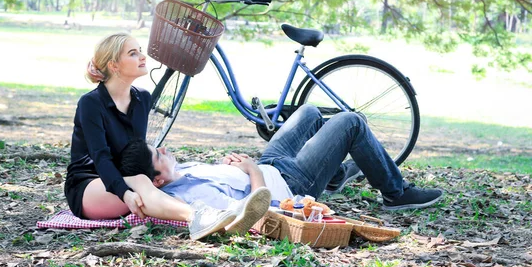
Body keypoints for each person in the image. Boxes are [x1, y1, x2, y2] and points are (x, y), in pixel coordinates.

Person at [63, 33, 270, 240]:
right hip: (89, 185)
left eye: (140, 51)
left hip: (128, 179)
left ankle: (230, 214)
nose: (143, 57)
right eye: (133, 53)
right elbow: (101, 158)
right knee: (143, 182)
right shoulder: (91, 103)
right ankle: (198, 218)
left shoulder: (142, 98)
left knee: (156, 181)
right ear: (114, 65)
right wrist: (126, 193)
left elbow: (136, 151)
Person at [120, 105, 443, 212]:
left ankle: (332, 175)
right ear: (158, 180)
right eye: (158, 155)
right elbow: (256, 209)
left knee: (309, 112)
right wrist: (249, 169)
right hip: (292, 182)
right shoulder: (190, 196)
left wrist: (238, 164)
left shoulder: (182, 172)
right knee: (351, 122)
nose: (163, 149)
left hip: (271, 162)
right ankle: (395, 193)